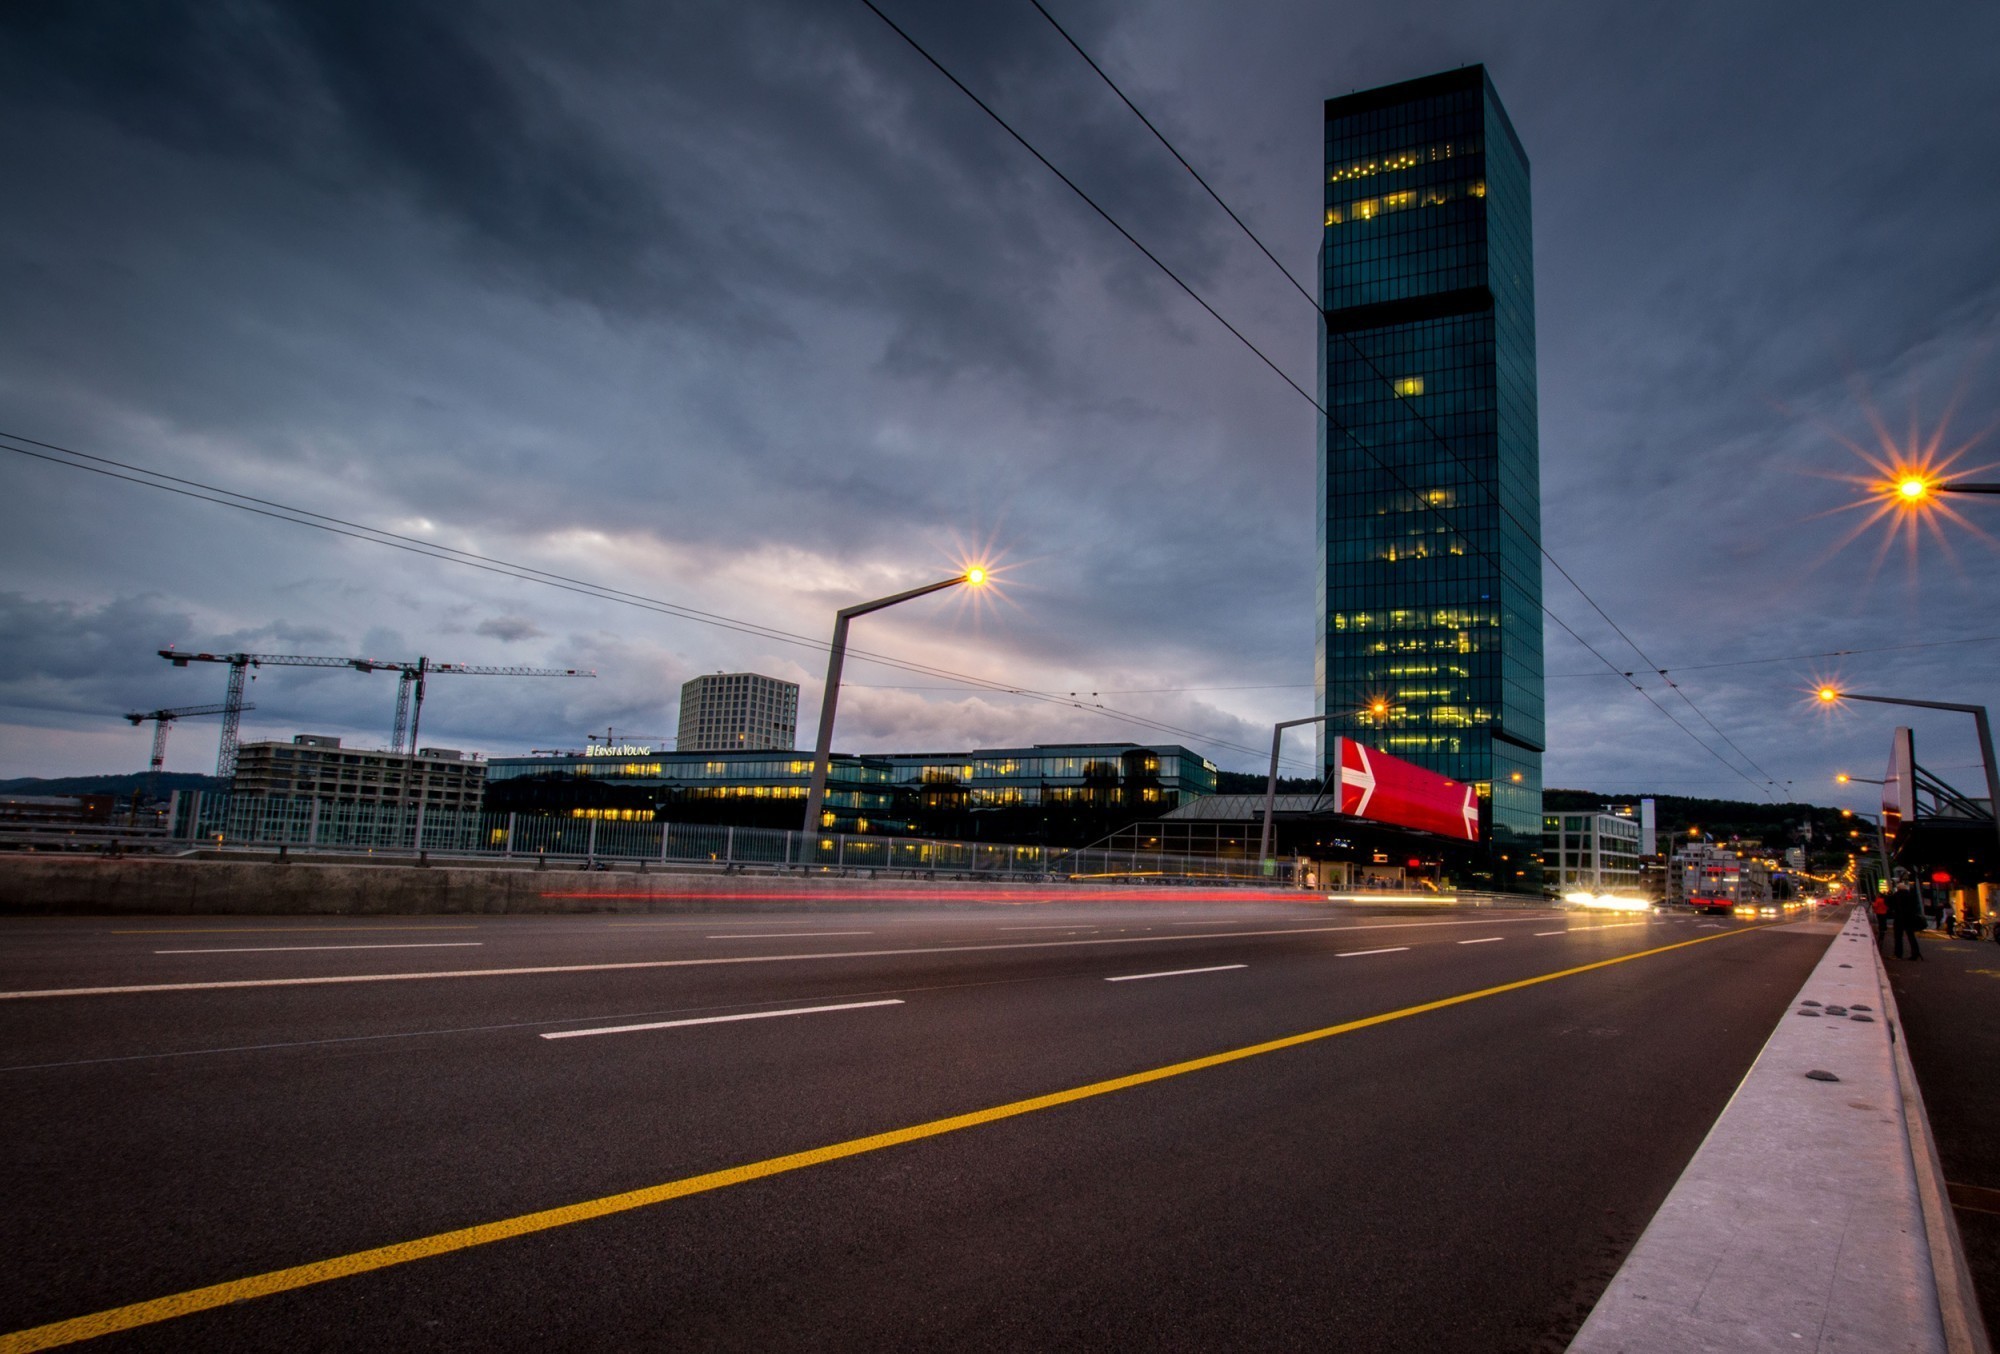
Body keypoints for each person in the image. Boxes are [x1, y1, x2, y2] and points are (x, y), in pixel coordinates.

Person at [1887, 869, 1925, 960]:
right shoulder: (1910, 895)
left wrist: (1888, 896)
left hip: (1899, 918)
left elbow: (1890, 904)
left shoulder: (1897, 895)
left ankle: (1898, 954)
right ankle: (1915, 953)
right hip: (1910, 918)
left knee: (1898, 937)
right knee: (1911, 936)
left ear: (1898, 888)